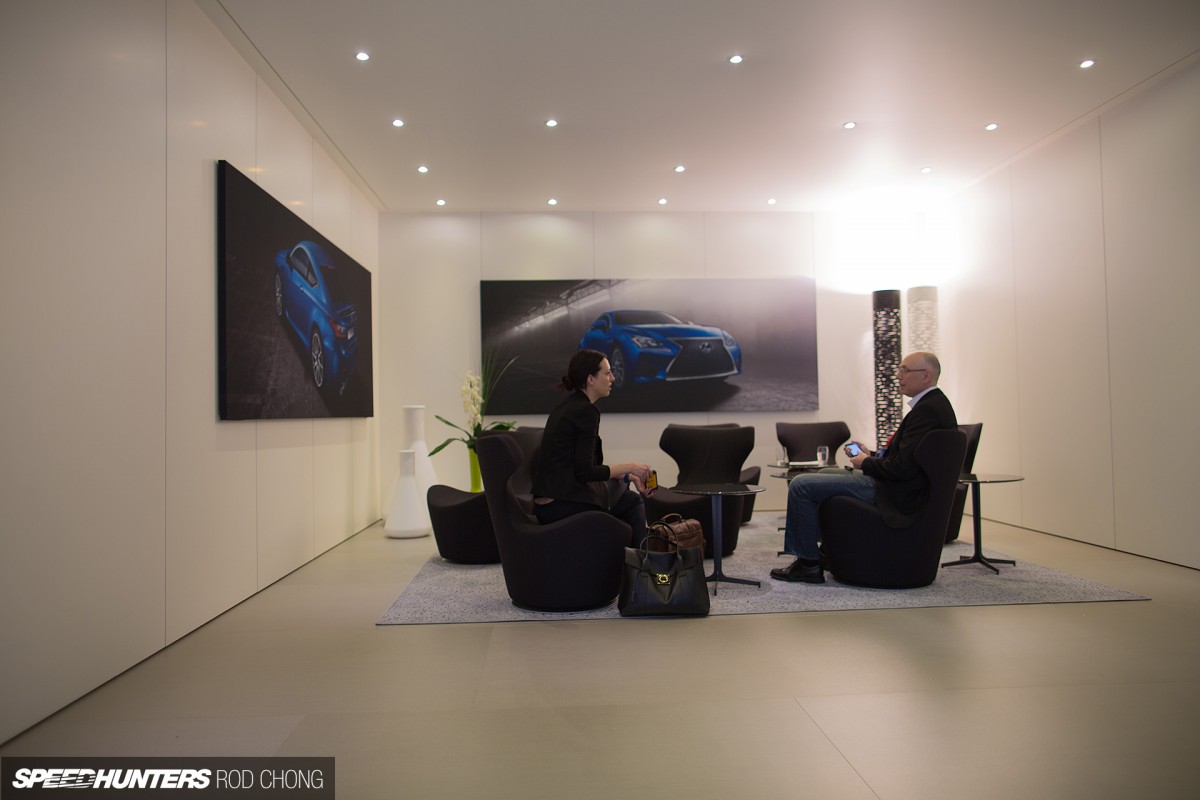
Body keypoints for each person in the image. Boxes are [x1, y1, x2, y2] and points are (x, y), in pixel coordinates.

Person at [771, 351, 958, 584]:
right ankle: (826, 552)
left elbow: (902, 468)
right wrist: (872, 454)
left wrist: (866, 463)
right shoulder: (933, 406)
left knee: (801, 485)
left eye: (905, 370)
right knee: (825, 473)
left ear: (926, 376)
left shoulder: (927, 411)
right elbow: (908, 458)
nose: (898, 375)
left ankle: (808, 564)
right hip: (897, 484)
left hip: (895, 491)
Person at [531, 349, 654, 542]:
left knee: (623, 491)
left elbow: (583, 467)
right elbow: (586, 472)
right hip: (561, 504)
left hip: (547, 505)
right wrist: (630, 467)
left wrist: (629, 476)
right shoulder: (587, 411)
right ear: (590, 379)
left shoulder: (566, 407)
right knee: (632, 500)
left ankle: (631, 557)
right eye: (607, 373)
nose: (613, 378)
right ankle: (644, 559)